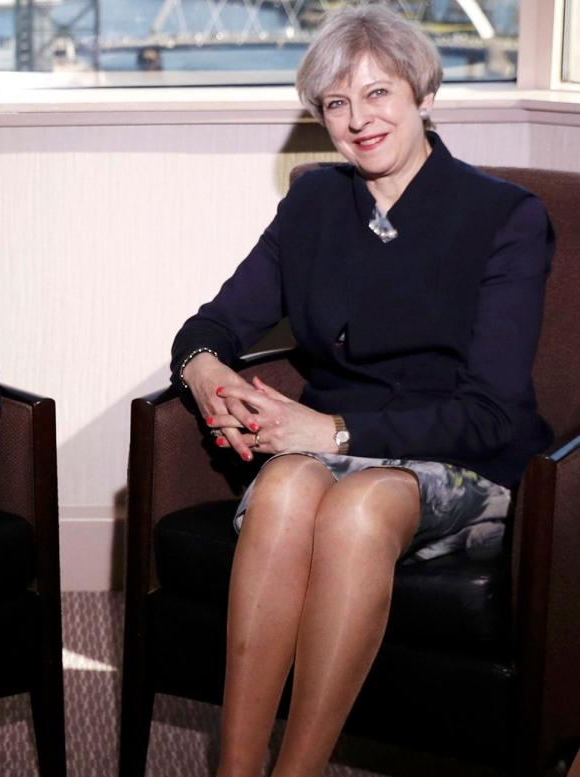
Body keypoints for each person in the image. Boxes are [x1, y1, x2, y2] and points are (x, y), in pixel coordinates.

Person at [169, 6, 554, 775]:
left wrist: (335, 432)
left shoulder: (504, 217)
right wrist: (207, 370)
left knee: (359, 503)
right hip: (325, 444)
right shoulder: (313, 204)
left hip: (461, 457)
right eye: (337, 104)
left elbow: (489, 411)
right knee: (282, 489)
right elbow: (209, 325)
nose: (359, 119)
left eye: (378, 94)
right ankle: (235, 768)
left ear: (422, 94)